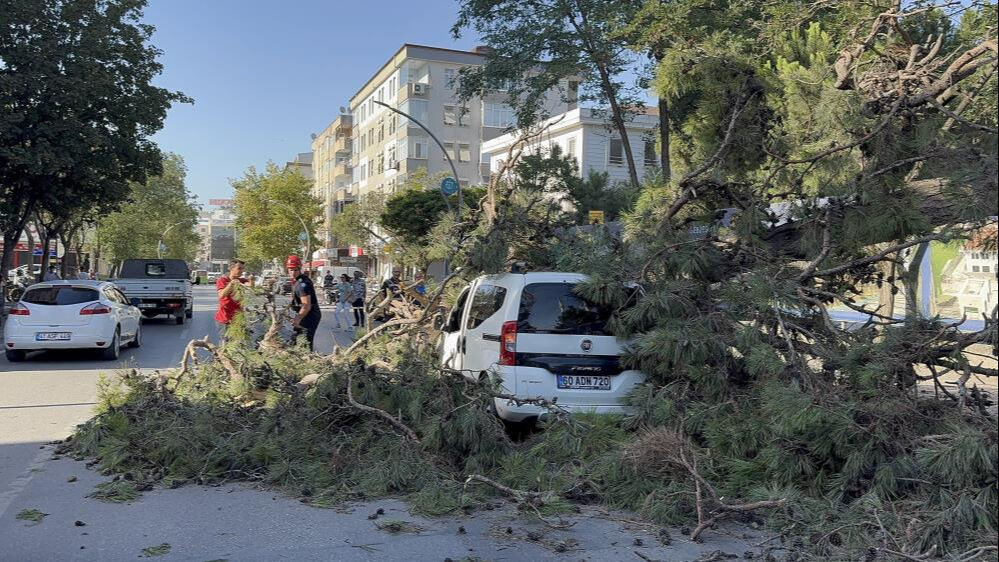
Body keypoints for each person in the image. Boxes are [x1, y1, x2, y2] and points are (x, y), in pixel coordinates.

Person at [286, 255, 322, 351]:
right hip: (305, 314)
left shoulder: (302, 284)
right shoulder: (297, 281)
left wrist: (298, 318)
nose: (293, 272)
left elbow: (306, 305)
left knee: (305, 343)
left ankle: (308, 361)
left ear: (299, 268)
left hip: (310, 316)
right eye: (290, 269)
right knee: (296, 340)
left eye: (295, 270)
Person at [214, 259, 247, 345]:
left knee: (238, 344)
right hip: (225, 319)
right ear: (231, 268)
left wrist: (252, 280)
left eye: (243, 269)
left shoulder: (241, 280)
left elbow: (250, 285)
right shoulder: (222, 280)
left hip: (238, 319)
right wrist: (231, 284)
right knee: (225, 344)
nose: (242, 271)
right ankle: (221, 358)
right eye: (239, 268)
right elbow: (221, 295)